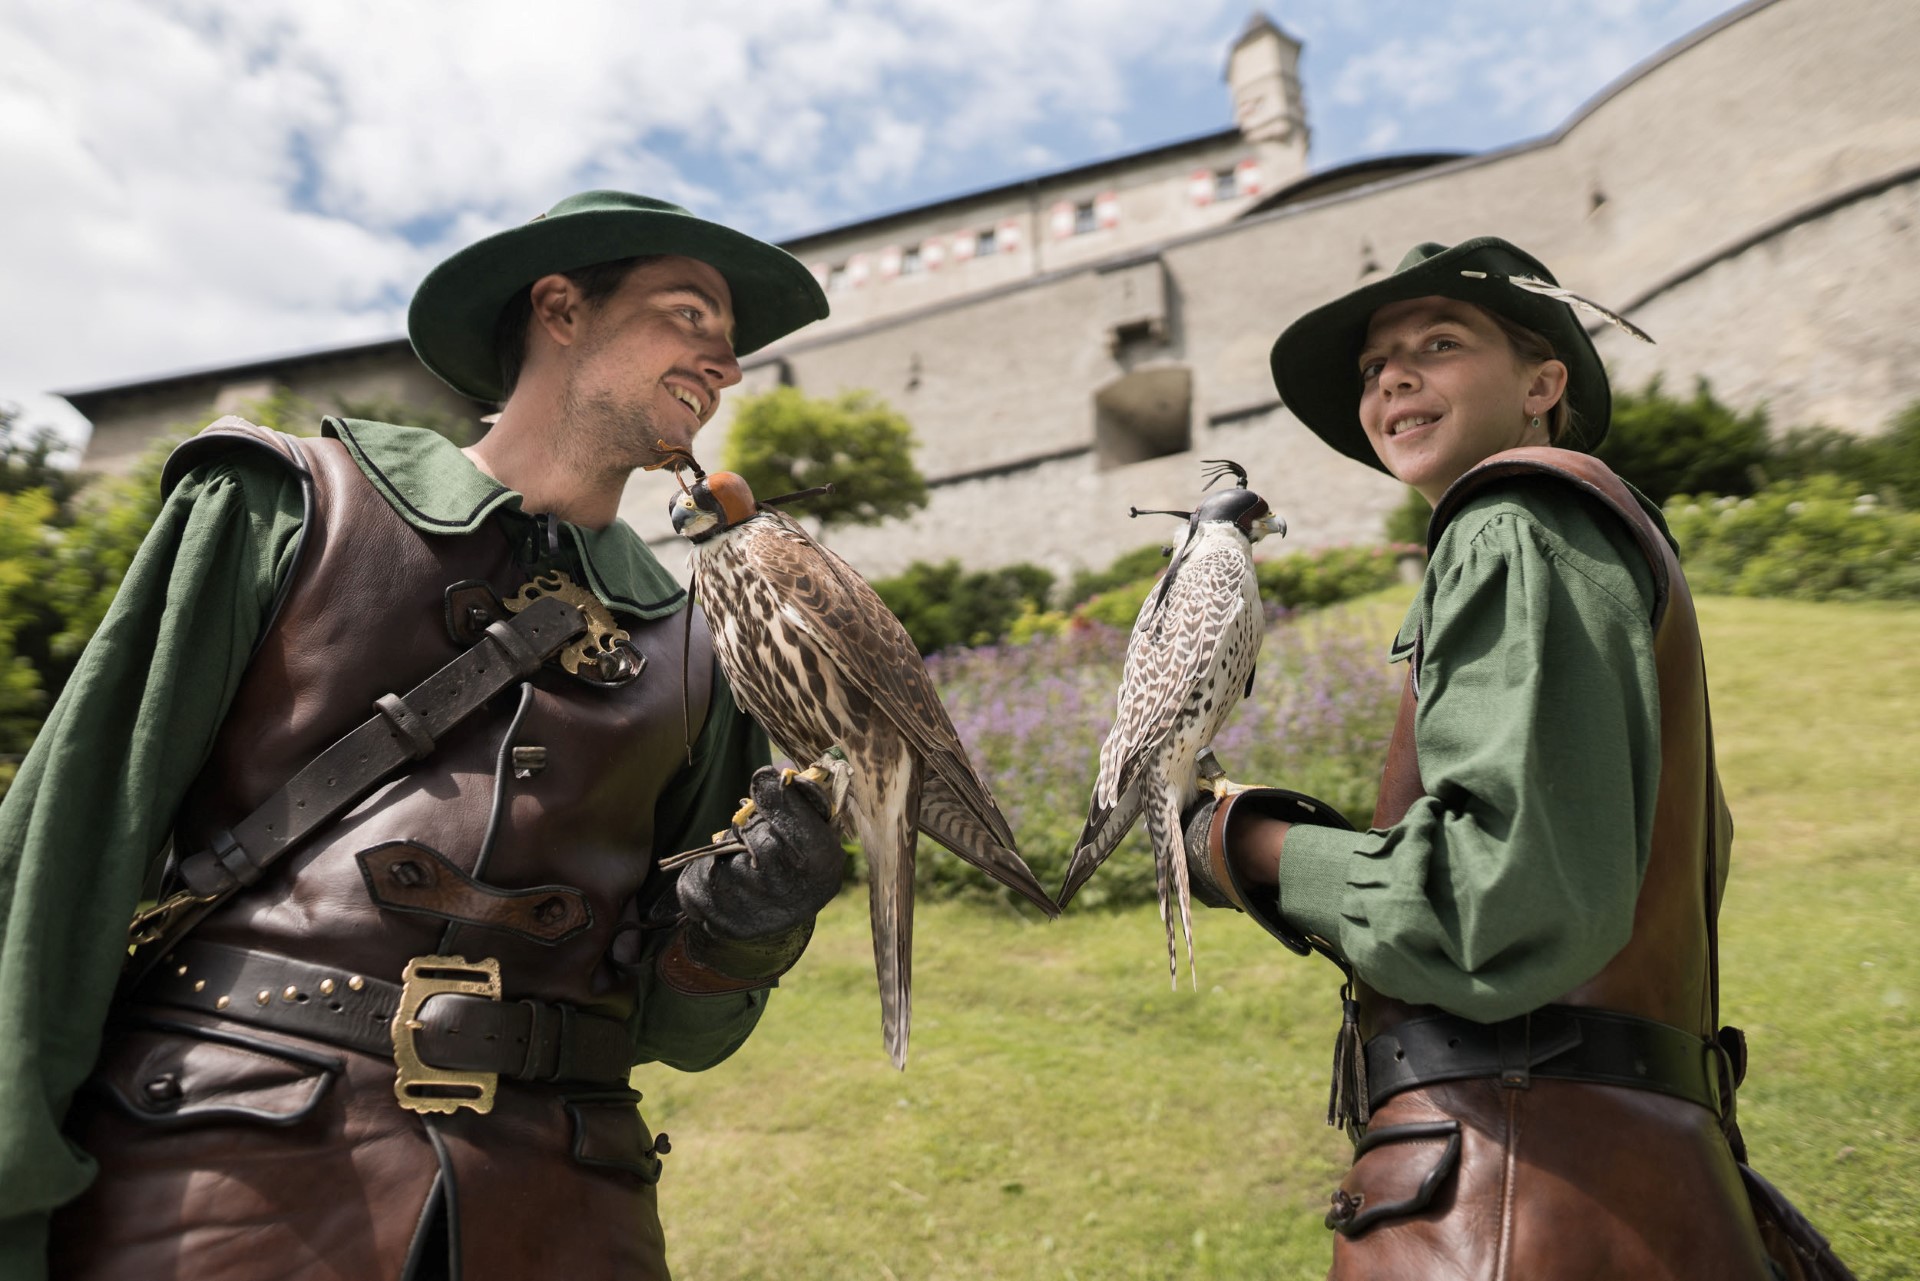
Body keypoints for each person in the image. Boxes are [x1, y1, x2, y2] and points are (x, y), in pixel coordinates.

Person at [0, 190, 848, 1280]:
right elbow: (63, 867)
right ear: (560, 307)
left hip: (570, 1216)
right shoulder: (284, 502)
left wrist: (747, 931)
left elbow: (680, 1031)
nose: (724, 364)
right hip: (217, 1186)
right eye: (691, 315)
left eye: (729, 345)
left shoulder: (700, 652)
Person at [1180, 237, 1796, 1278]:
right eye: (1376, 367)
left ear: (1541, 383)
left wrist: (1247, 844)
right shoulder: (1584, 535)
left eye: (1439, 343)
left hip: (1517, 1193)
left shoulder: (1511, 522)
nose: (1393, 379)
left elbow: (1493, 903)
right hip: (1626, 1179)